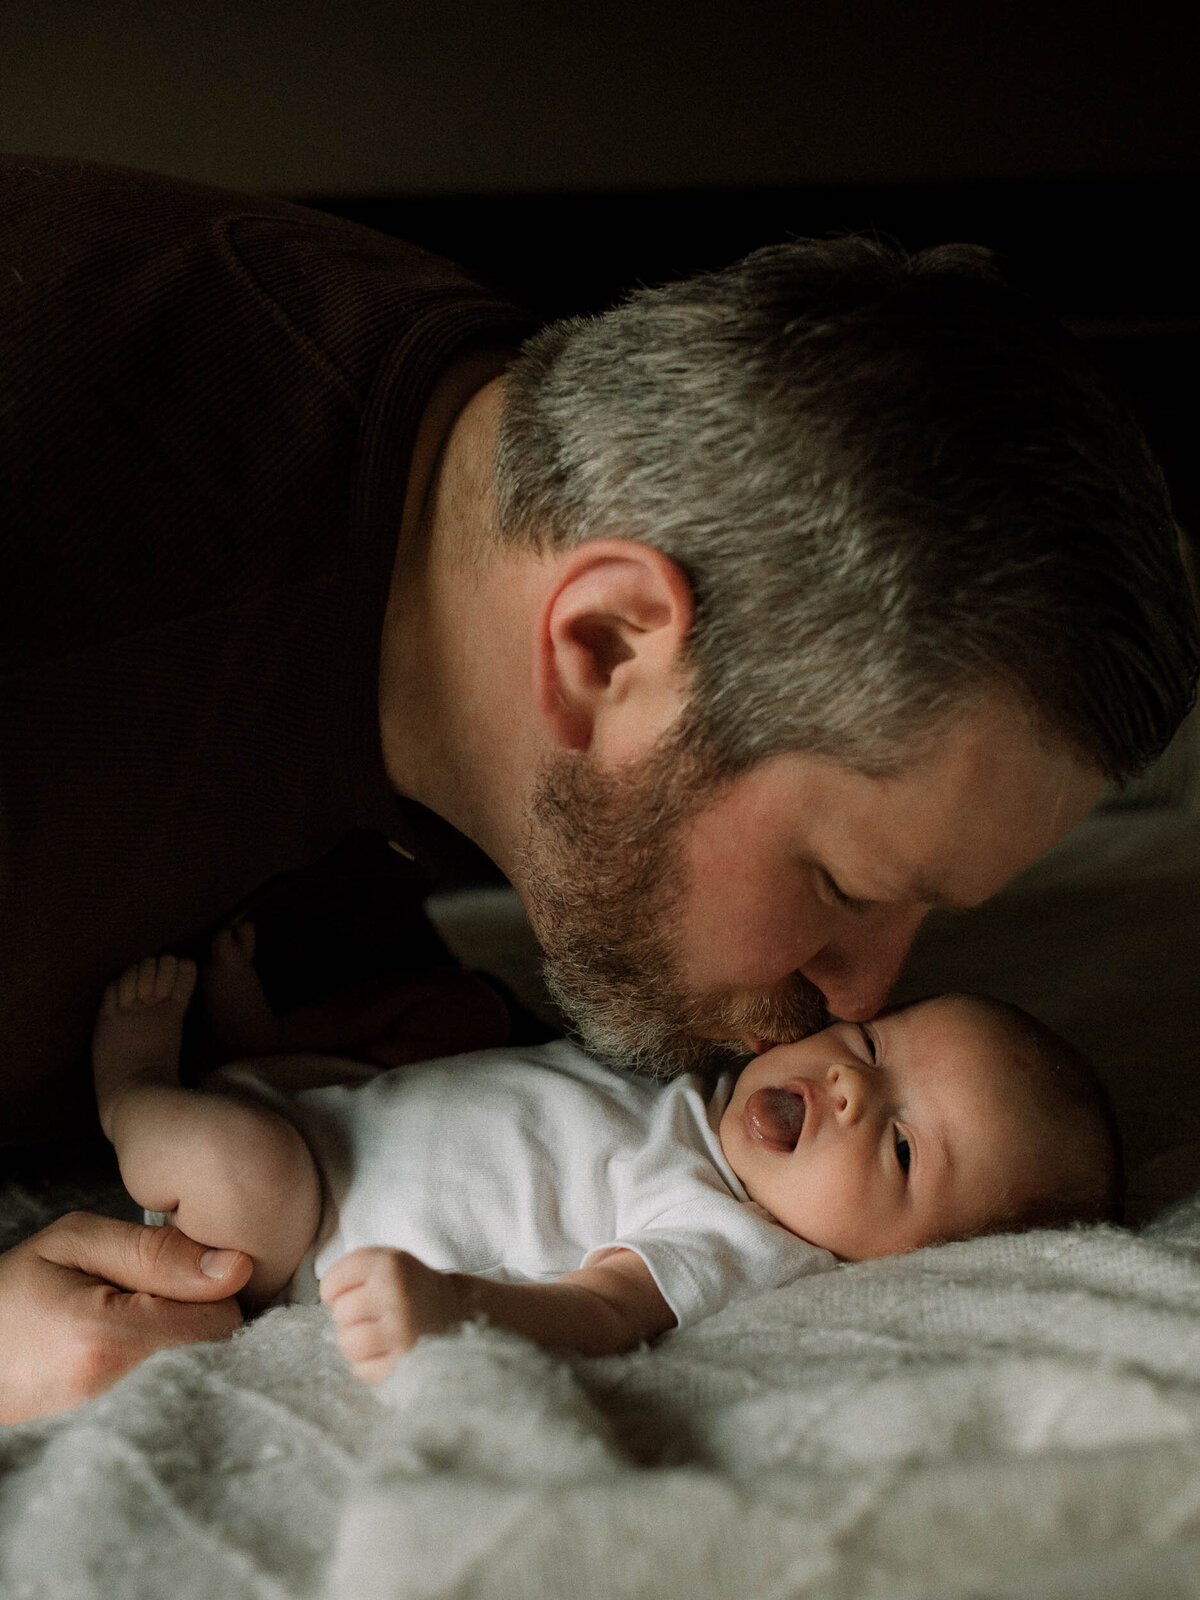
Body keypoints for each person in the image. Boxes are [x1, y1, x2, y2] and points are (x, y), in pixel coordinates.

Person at [0, 153, 1195, 1417]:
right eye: (845, 881)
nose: (859, 998)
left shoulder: (483, 495)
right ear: (611, 643)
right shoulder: (74, 600)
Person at [90, 939, 1119, 1374]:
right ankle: (262, 1051)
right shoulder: (701, 1096)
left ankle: (131, 1091)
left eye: (898, 1144)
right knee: (455, 1015)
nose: (851, 1087)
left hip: (286, 1231)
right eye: (871, 1045)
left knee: (243, 1167)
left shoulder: (735, 1240)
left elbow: (599, 1311)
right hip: (337, 1109)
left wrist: (454, 1307)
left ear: (911, 1259)